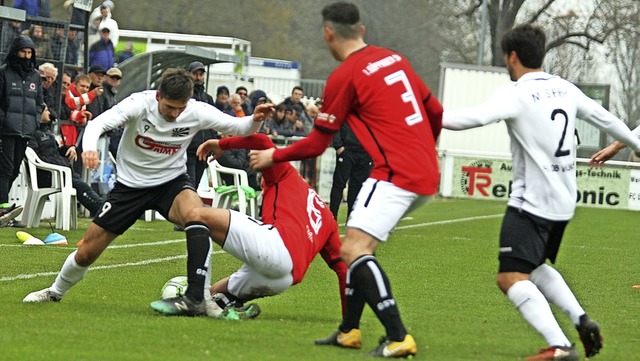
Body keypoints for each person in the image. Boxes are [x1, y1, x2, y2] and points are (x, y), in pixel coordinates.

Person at [248, 3, 442, 358]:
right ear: (362, 30)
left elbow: (317, 143)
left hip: (395, 173)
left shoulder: (345, 75)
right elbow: (436, 112)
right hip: (423, 168)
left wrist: (273, 155)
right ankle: (350, 330)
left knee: (353, 250)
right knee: (354, 243)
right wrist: (425, 151)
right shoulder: (393, 59)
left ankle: (399, 336)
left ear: (327, 33)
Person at [440, 24, 640, 360]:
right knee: (532, 265)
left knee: (509, 276)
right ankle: (581, 319)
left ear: (512, 56)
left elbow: (473, 118)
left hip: (531, 202)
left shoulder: (517, 93)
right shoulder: (565, 88)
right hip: (563, 201)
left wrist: (423, 117)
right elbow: (608, 120)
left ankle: (560, 346)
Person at [22, 68, 273, 320]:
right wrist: (89, 149)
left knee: (198, 216)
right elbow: (97, 123)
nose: (174, 114)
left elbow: (241, 127)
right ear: (158, 96)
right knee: (87, 251)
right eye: (169, 107)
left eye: (180, 108)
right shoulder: (138, 104)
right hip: (130, 187)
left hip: (171, 183)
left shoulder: (197, 110)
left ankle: (200, 297)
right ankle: (55, 291)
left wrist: (257, 118)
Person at [194, 134, 346, 319]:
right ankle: (218, 300)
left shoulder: (284, 174)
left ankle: (194, 297)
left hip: (276, 249)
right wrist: (350, 320)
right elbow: (343, 268)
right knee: (216, 291)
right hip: (284, 280)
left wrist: (219, 143)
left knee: (198, 214)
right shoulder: (326, 216)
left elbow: (262, 141)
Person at [0, 35, 44, 227]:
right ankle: (2, 207)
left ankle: (3, 211)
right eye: (23, 52)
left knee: (15, 169)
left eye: (29, 53)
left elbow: (39, 103)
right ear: (15, 52)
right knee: (5, 168)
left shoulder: (35, 76)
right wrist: (3, 122)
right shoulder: (3, 73)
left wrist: (35, 122)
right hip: (7, 130)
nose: (26, 56)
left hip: (26, 131)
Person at [29, 106, 105, 216]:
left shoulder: (47, 132)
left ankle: (102, 210)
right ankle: (103, 211)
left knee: (80, 184)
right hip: (48, 174)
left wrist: (69, 148)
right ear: (38, 114)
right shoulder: (32, 134)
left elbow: (56, 150)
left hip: (61, 171)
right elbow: (36, 157)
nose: (49, 113)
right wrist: (59, 164)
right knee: (80, 186)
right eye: (46, 110)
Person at [329, 122, 372, 220]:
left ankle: (351, 217)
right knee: (339, 184)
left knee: (357, 186)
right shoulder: (345, 107)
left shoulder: (371, 109)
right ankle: (332, 216)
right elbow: (336, 122)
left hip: (364, 151)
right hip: (347, 150)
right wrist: (338, 145)